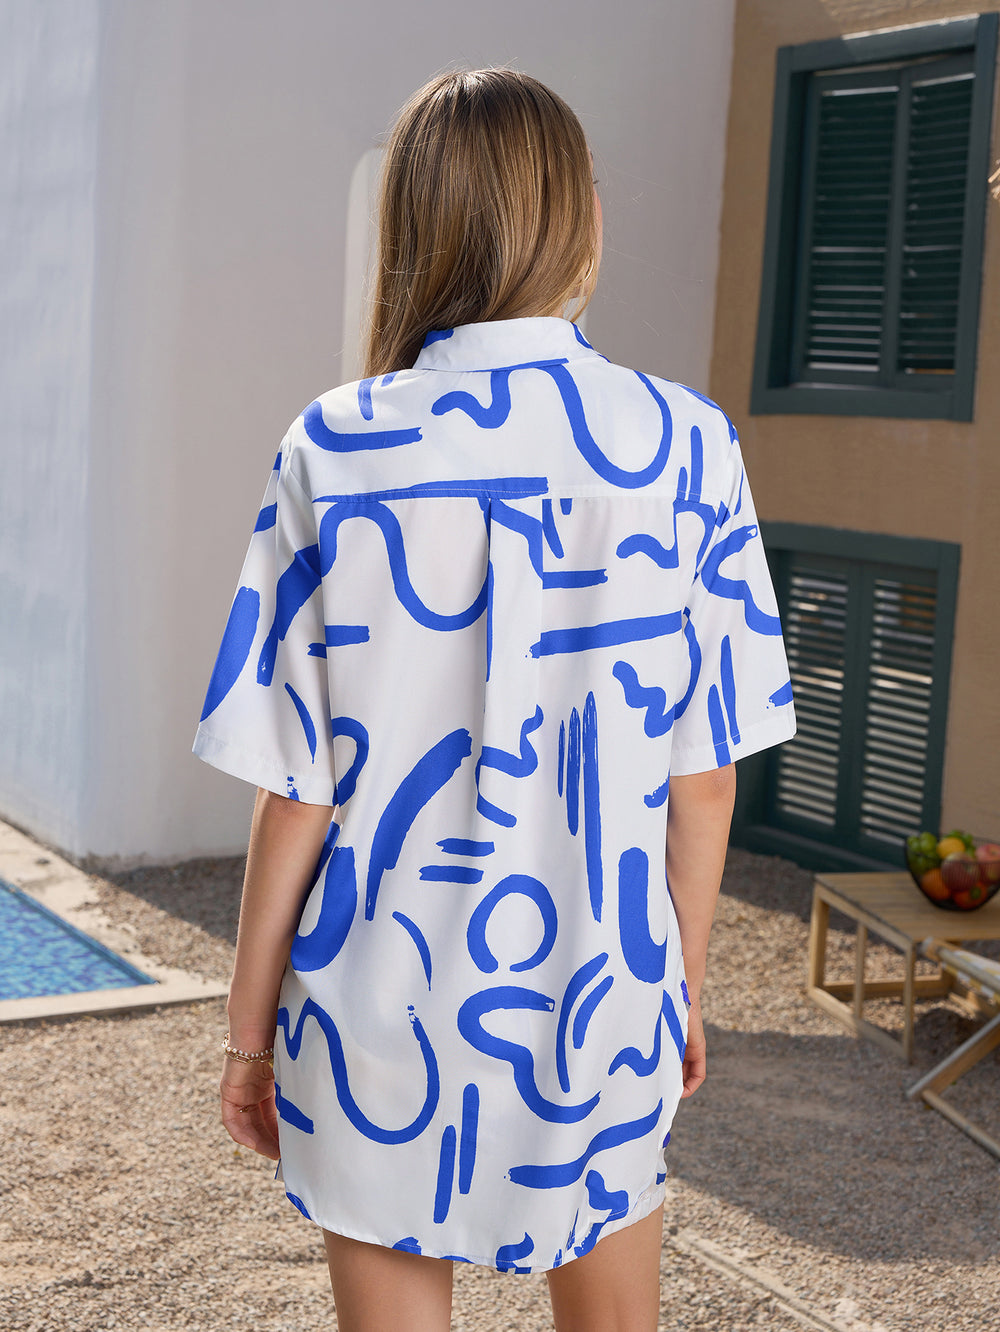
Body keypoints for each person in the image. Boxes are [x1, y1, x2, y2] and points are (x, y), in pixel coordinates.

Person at [193, 68, 796, 1331]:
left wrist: (249, 1040)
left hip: (375, 1004)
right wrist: (679, 980)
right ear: (578, 215)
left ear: (416, 222)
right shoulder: (688, 444)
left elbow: (296, 788)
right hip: (603, 992)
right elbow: (703, 773)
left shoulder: (333, 444)